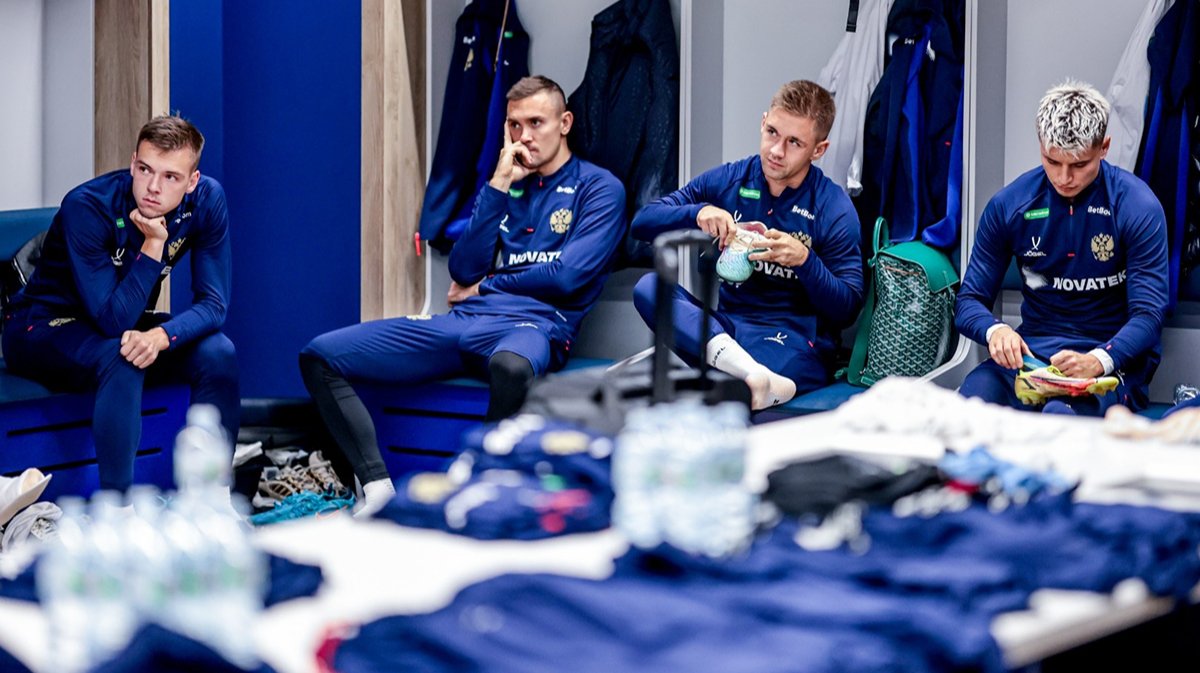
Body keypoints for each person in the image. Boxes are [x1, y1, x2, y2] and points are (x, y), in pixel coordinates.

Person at [301, 75, 626, 517]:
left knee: (511, 367)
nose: (524, 136)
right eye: (514, 125)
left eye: (536, 123)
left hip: (536, 324)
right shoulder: (507, 185)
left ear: (564, 123)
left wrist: (488, 285)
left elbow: (567, 278)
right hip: (465, 320)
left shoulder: (599, 187)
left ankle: (480, 486)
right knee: (320, 355)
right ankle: (377, 490)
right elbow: (464, 269)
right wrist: (498, 184)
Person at [2, 116, 239, 493]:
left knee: (218, 352)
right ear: (132, 163)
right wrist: (154, 245)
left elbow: (214, 304)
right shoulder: (88, 205)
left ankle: (214, 497)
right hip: (41, 326)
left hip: (116, 322)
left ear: (192, 181)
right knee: (124, 354)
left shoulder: (208, 200)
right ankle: (120, 510)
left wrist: (161, 336)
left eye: (171, 177)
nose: (153, 188)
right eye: (145, 170)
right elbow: (114, 323)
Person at [629, 80, 864, 410]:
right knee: (649, 288)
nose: (776, 150)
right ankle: (748, 377)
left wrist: (805, 261)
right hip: (727, 331)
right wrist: (698, 213)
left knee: (745, 382)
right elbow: (642, 223)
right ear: (763, 121)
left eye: (794, 142)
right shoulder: (732, 179)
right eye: (772, 132)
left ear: (818, 150)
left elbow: (848, 308)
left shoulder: (833, 206)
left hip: (792, 340)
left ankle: (742, 377)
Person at [955, 80, 1169, 416]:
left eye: (1079, 165)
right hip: (1032, 357)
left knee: (1060, 417)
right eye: (1052, 161)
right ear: (1041, 144)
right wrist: (995, 330)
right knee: (968, 409)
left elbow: (1150, 315)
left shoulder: (1137, 206)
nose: (1064, 178)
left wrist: (1100, 359)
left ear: (1104, 147)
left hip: (1110, 360)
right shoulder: (1010, 205)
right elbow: (968, 301)